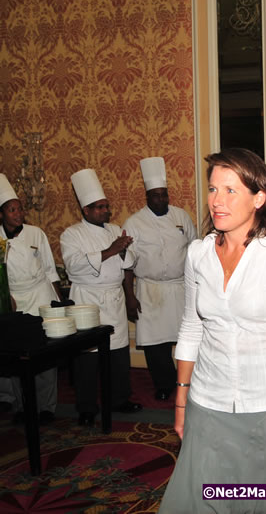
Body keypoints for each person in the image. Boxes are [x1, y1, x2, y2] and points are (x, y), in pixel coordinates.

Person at [159, 148, 266, 513]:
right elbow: (191, 329)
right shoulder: (198, 254)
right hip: (208, 405)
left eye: (230, 190)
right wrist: (181, 403)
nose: (217, 201)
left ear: (259, 198)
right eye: (212, 189)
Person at [60, 169, 142, 426]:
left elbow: (130, 261)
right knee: (87, 357)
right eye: (100, 207)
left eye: (107, 206)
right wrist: (111, 249)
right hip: (87, 299)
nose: (106, 211)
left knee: (118, 353)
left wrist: (123, 250)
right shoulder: (71, 234)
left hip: (113, 298)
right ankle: (86, 407)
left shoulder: (115, 229)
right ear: (86, 210)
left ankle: (119, 398)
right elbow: (74, 267)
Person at [122, 157, 198, 401]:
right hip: (150, 289)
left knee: (188, 337)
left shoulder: (181, 216)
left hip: (180, 287)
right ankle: (164, 384)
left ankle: (190, 382)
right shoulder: (134, 222)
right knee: (156, 344)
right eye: (156, 195)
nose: (161, 200)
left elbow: (194, 250)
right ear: (147, 196)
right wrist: (130, 297)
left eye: (164, 194)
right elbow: (127, 264)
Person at [0, 174, 61, 424]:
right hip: (13, 299)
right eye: (12, 209)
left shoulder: (36, 233)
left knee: (45, 354)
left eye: (20, 208)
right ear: (1, 214)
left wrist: (59, 300)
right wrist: (5, 299)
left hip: (40, 296)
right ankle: (23, 406)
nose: (18, 213)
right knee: (17, 356)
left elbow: (49, 268)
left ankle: (47, 406)